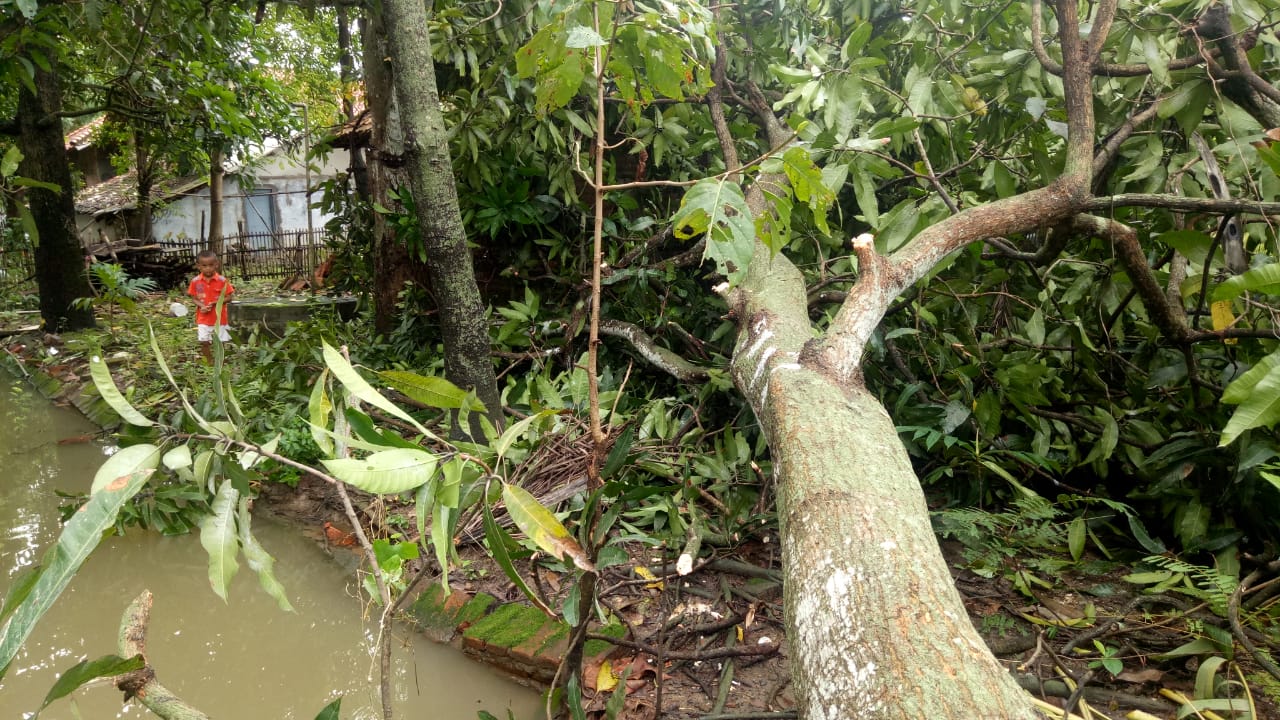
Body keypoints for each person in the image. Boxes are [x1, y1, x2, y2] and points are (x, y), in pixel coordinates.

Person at [187, 250, 235, 363]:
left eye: (211, 265)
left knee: (221, 341)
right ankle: (209, 361)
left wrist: (217, 303)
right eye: (204, 266)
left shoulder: (222, 281)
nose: (208, 268)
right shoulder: (195, 281)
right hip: (203, 318)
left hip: (220, 318)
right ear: (198, 266)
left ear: (216, 265)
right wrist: (202, 306)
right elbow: (194, 298)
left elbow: (229, 297)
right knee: (204, 341)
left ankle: (221, 360)